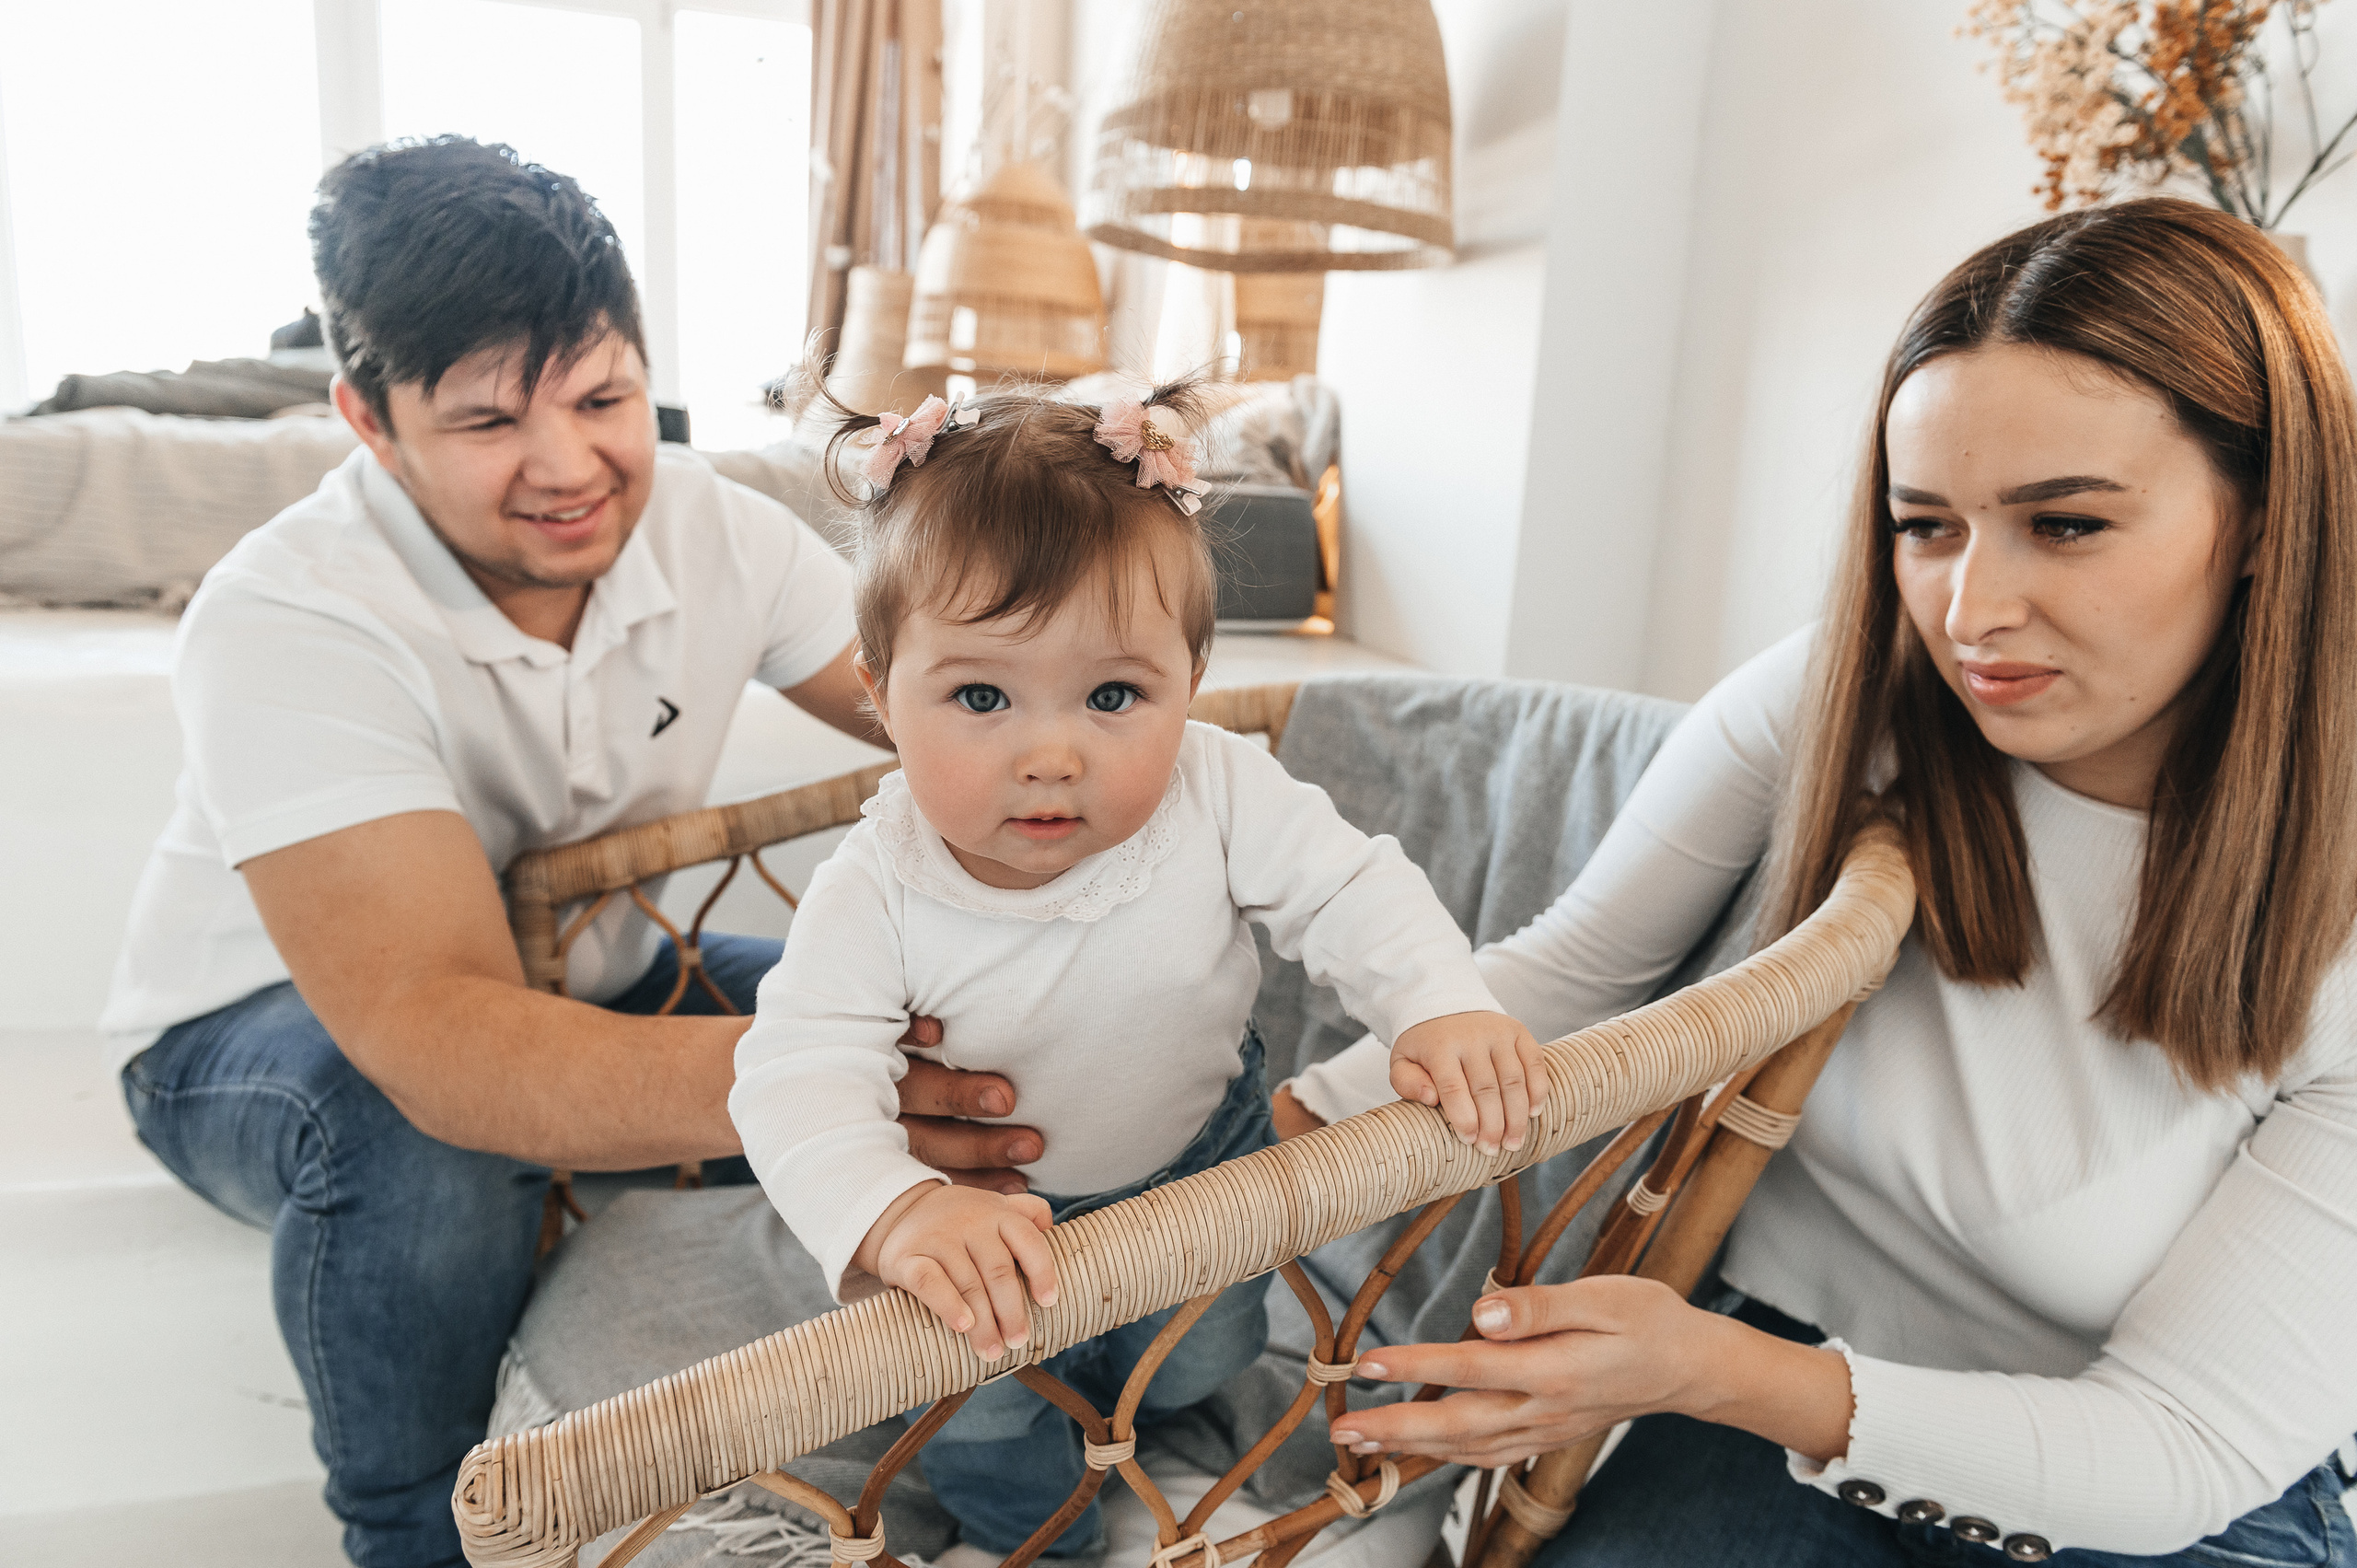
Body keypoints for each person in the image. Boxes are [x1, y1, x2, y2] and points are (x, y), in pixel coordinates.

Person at [1282, 198, 2357, 1564]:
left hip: (2162, 1501)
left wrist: (1704, 1369)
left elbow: (2180, 1447)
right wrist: (1206, 1153)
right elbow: (1564, 980)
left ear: (2265, 523)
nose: (1974, 612)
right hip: (1769, 1378)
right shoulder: (1851, 698)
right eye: (1928, 526)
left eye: (2066, 525)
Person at [99, 137, 1041, 1568]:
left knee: (951, 1026)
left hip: (594, 970)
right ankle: (417, 1529)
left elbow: (959, 707)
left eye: (603, 396)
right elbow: (443, 1041)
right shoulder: (286, 616)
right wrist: (830, 1087)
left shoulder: (713, 525)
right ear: (368, 417)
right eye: (486, 422)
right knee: (413, 1130)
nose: (567, 467)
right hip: (254, 1038)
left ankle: (1018, 1438)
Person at [728, 381, 1548, 1562]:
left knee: (1201, 1353)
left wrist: (1439, 1002)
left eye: (1113, 694)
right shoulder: (878, 880)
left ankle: (1156, 1428)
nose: (1050, 753)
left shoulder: (1214, 789)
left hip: (1198, 1167)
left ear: (1191, 677)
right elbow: (794, 1073)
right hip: (988, 1224)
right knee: (984, 1418)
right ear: (879, 693)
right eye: (978, 695)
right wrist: (896, 1210)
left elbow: (1347, 885)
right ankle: (1041, 1533)